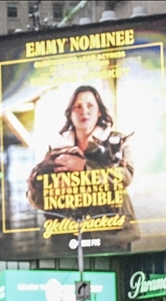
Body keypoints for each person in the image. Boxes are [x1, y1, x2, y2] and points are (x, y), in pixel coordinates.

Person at [27, 85, 139, 243]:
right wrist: (51, 191)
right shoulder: (57, 151)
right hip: (69, 239)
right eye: (77, 106)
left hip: (114, 236)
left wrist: (84, 167)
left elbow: (125, 177)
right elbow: (35, 197)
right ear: (70, 114)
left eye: (90, 105)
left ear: (99, 111)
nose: (84, 111)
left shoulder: (116, 142)